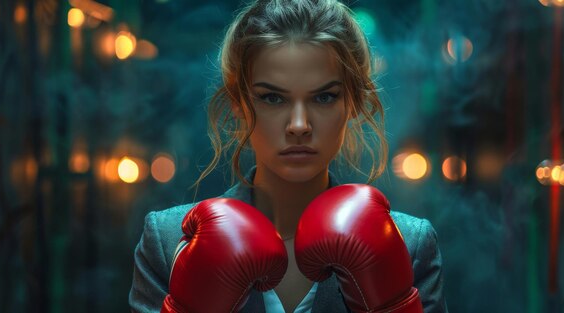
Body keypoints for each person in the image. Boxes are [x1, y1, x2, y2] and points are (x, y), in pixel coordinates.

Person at [129, 0, 448, 312]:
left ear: (352, 102)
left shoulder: (408, 246)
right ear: (239, 103)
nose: (299, 125)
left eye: (324, 97)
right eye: (272, 98)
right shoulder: (169, 243)